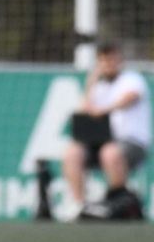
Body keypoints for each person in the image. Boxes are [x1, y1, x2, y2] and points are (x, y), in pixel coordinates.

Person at [63, 41, 149, 221]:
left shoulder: (132, 79)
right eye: (103, 61)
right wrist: (91, 81)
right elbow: (85, 112)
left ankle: (117, 200)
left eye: (112, 60)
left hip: (132, 143)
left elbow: (130, 98)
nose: (108, 65)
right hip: (101, 143)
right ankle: (78, 205)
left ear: (120, 61)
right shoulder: (99, 87)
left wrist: (105, 110)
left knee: (110, 152)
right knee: (73, 152)